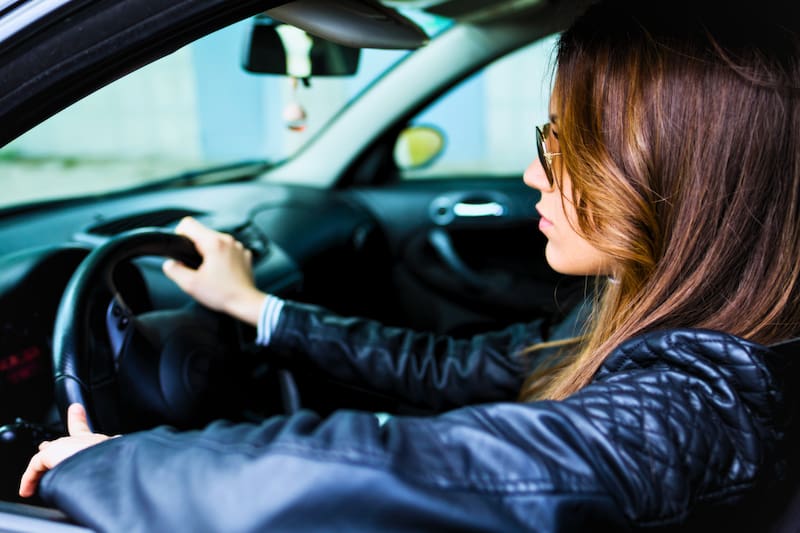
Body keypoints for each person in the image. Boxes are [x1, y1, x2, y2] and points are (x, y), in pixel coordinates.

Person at [16, 0, 800, 530]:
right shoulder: (653, 313)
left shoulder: (709, 404)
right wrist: (259, 308)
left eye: (568, 146)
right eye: (548, 138)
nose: (533, 172)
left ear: (674, 179)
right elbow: (462, 368)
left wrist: (114, 463)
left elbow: (415, 474)